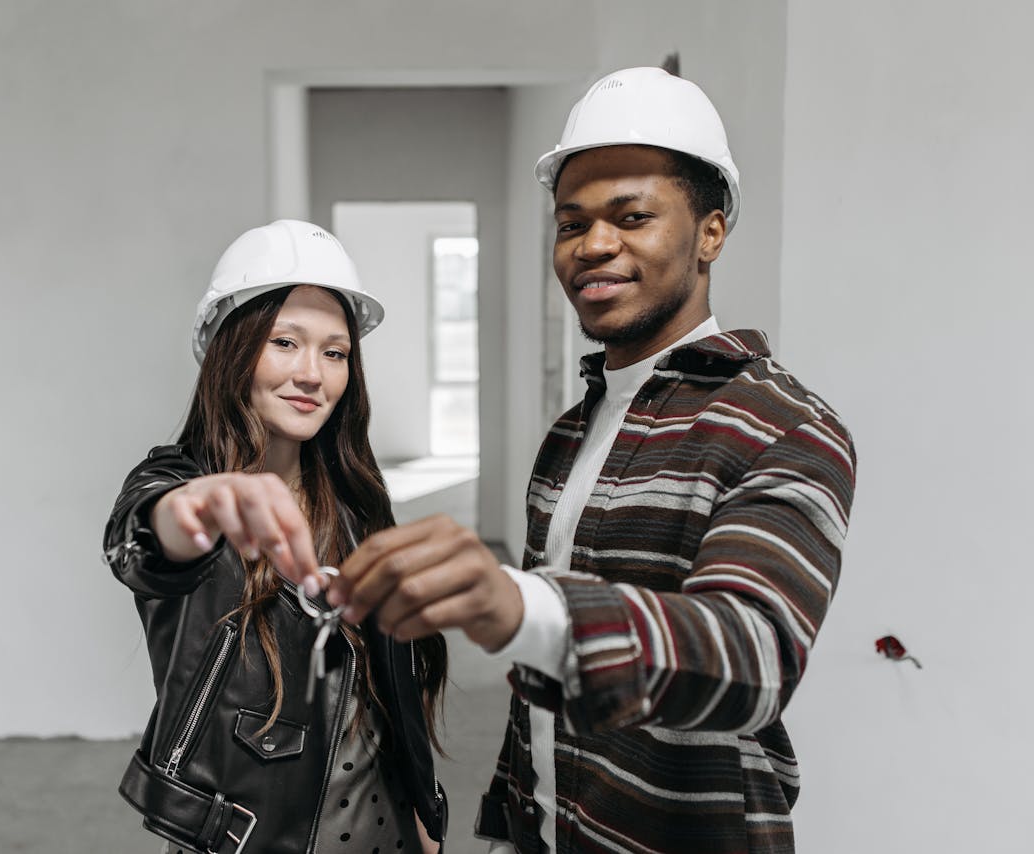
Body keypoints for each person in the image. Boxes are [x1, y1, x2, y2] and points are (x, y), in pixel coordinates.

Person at [314, 67, 857, 853]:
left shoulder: (784, 426)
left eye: (632, 216)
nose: (595, 245)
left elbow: (752, 656)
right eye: (571, 224)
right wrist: (507, 822)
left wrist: (517, 603)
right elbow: (542, 680)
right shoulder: (572, 433)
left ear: (711, 231)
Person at [101, 219, 448, 854]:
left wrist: (425, 820)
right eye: (285, 343)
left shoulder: (356, 501)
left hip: (383, 832)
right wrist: (204, 503)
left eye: (335, 352)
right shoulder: (181, 485)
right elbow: (141, 542)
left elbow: (398, 681)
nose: (312, 374)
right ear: (231, 350)